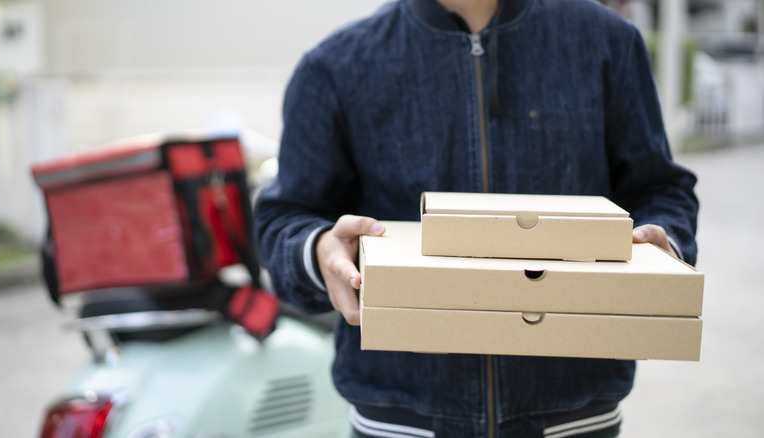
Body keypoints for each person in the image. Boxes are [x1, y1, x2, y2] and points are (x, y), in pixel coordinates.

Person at [254, 0, 699, 436]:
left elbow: (659, 188)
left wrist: (663, 251)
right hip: (402, 416)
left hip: (573, 413)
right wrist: (317, 249)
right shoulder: (335, 64)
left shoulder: (607, 41)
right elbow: (284, 216)